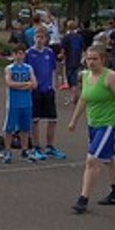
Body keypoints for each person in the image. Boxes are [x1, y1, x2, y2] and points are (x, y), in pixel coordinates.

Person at [67, 45, 115, 214]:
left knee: (92, 160)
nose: (91, 62)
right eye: (88, 58)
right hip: (93, 123)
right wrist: (74, 120)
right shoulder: (85, 76)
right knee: (108, 158)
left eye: (95, 59)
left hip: (108, 124)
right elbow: (83, 99)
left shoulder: (111, 77)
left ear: (103, 60)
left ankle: (83, 199)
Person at [26, 27, 67, 160]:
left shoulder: (49, 53)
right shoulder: (29, 53)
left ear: (46, 39)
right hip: (35, 90)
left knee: (52, 119)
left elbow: (54, 70)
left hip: (48, 89)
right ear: (34, 38)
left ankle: (50, 146)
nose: (39, 39)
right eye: (37, 36)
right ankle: (36, 146)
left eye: (42, 37)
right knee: (35, 119)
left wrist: (55, 85)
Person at [1, 44, 37, 164]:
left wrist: (22, 85)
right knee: (9, 128)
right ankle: (7, 151)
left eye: (21, 53)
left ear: (24, 55)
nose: (19, 56)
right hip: (13, 103)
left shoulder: (28, 68)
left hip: (26, 103)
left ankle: (24, 150)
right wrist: (25, 85)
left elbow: (34, 84)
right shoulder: (9, 68)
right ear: (13, 55)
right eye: (16, 53)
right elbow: (10, 83)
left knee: (25, 128)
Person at [61, 19, 84, 106]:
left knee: (71, 79)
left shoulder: (66, 37)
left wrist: (62, 57)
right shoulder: (79, 37)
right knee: (76, 77)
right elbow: (82, 48)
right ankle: (75, 95)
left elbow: (63, 50)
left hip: (69, 60)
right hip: (77, 59)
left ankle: (74, 96)